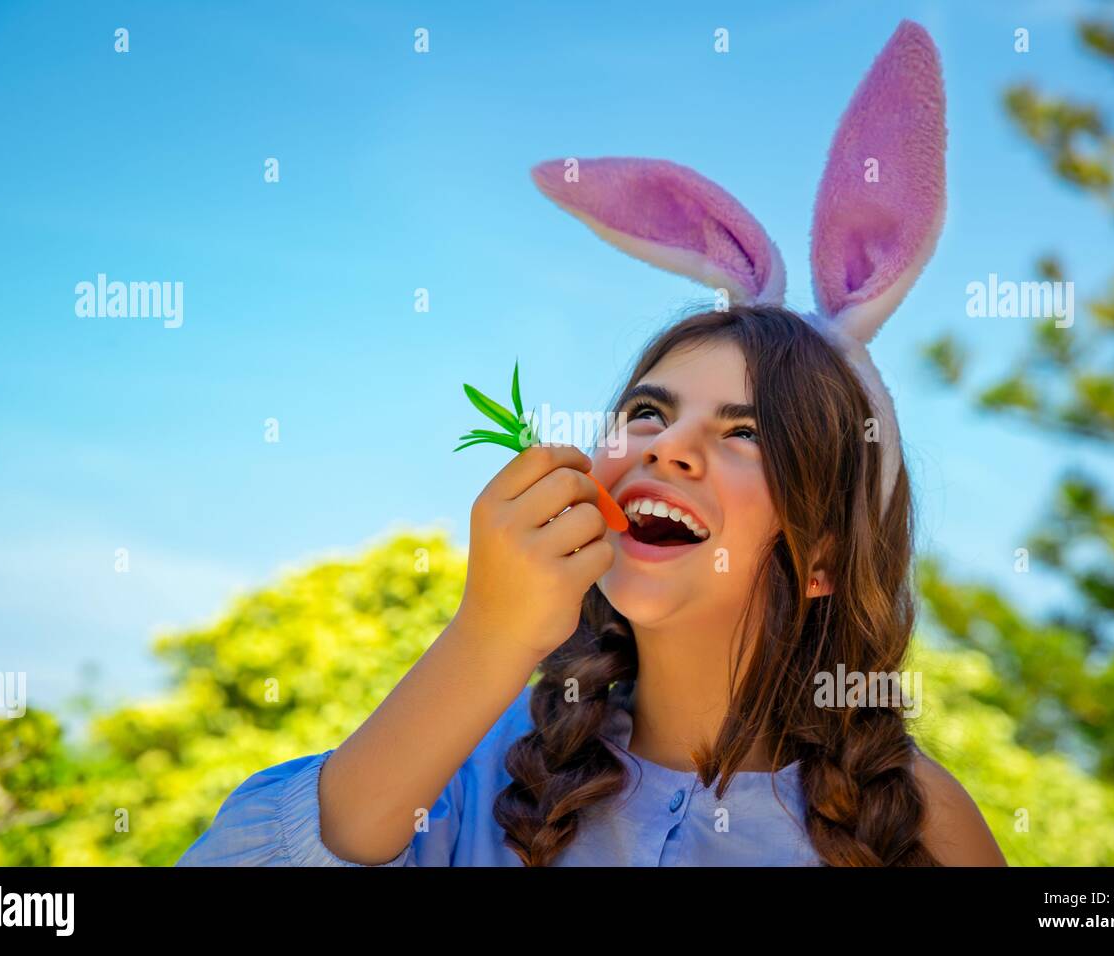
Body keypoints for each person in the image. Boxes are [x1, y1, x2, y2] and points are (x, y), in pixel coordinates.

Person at [177, 19, 1007, 867]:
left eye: (746, 432)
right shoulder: (481, 761)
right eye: (648, 411)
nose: (668, 447)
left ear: (825, 552)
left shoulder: (918, 822)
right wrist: (489, 637)